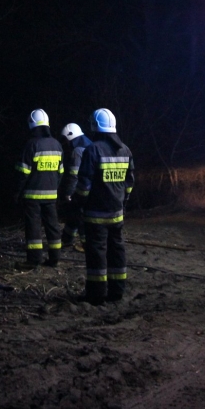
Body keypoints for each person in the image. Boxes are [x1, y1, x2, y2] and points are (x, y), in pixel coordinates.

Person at [74, 108, 135, 305]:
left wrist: (78, 204)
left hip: (95, 215)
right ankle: (117, 291)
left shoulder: (93, 150)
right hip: (117, 214)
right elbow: (129, 183)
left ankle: (96, 295)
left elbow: (84, 185)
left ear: (95, 126)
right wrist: (122, 203)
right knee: (117, 251)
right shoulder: (125, 150)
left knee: (97, 254)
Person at [12, 108, 64, 267]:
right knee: (52, 226)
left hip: (32, 195)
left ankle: (34, 260)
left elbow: (23, 172)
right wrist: (54, 188)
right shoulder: (57, 144)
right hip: (51, 194)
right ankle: (55, 258)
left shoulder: (31, 144)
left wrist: (16, 192)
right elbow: (61, 172)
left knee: (33, 227)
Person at [59, 122, 92, 250]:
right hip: (92, 188)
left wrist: (68, 193)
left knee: (79, 214)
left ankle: (86, 244)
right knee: (74, 213)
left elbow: (74, 175)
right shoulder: (90, 145)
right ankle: (67, 239)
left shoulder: (77, 151)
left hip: (82, 189)